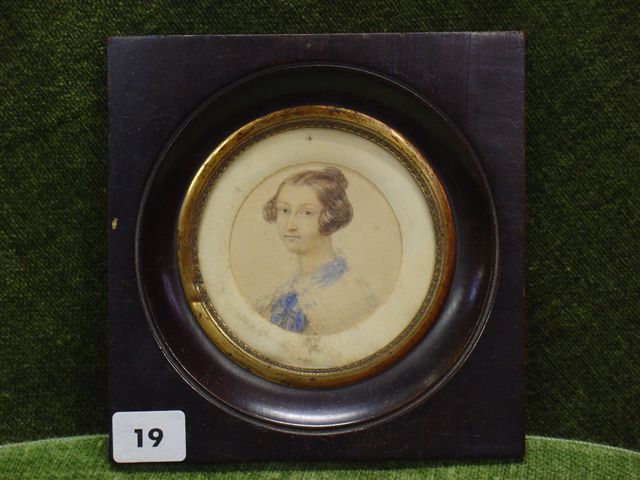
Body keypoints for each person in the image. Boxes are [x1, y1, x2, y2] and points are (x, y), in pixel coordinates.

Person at [259, 166, 377, 335]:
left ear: (331, 216)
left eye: (306, 213)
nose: (290, 225)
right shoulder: (290, 289)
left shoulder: (348, 294)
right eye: (284, 210)